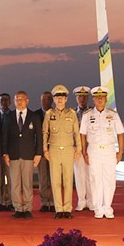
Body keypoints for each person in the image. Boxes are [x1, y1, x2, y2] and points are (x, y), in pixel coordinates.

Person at [79, 86, 124, 219]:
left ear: (106, 99)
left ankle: (108, 207)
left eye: (102, 97)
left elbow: (121, 133)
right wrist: (84, 152)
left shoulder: (113, 114)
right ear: (93, 99)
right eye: (97, 98)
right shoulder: (88, 115)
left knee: (109, 179)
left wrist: (120, 152)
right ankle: (98, 208)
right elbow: (82, 134)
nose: (99, 100)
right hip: (94, 150)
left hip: (109, 150)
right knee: (95, 179)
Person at [2, 91, 42, 219]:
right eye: (16, 99)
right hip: (13, 155)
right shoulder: (9, 116)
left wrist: (38, 154)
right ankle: (18, 208)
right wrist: (5, 153)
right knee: (15, 183)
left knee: (27, 183)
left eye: (21, 99)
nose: (19, 101)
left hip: (28, 155)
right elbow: (5, 137)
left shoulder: (34, 116)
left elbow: (39, 137)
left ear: (27, 100)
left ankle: (28, 208)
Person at [42, 85, 80, 219]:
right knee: (56, 181)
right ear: (53, 99)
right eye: (57, 97)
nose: (59, 100)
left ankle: (67, 209)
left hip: (69, 150)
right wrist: (45, 149)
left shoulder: (72, 114)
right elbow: (45, 133)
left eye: (62, 97)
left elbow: (76, 133)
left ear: (66, 99)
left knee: (68, 181)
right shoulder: (49, 114)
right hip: (54, 150)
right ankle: (59, 209)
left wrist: (78, 149)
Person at [72, 86, 93, 211]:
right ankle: (81, 200)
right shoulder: (72, 113)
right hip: (77, 149)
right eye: (80, 96)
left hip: (90, 148)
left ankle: (90, 200)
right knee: (79, 175)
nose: (82, 99)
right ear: (76, 98)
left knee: (90, 175)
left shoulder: (92, 112)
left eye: (84, 96)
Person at [34, 91, 55, 212]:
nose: (44, 102)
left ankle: (52, 202)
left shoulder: (55, 112)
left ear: (51, 101)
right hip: (41, 152)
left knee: (53, 177)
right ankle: (44, 202)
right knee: (43, 178)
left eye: (47, 99)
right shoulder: (35, 115)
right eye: (42, 99)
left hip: (53, 151)